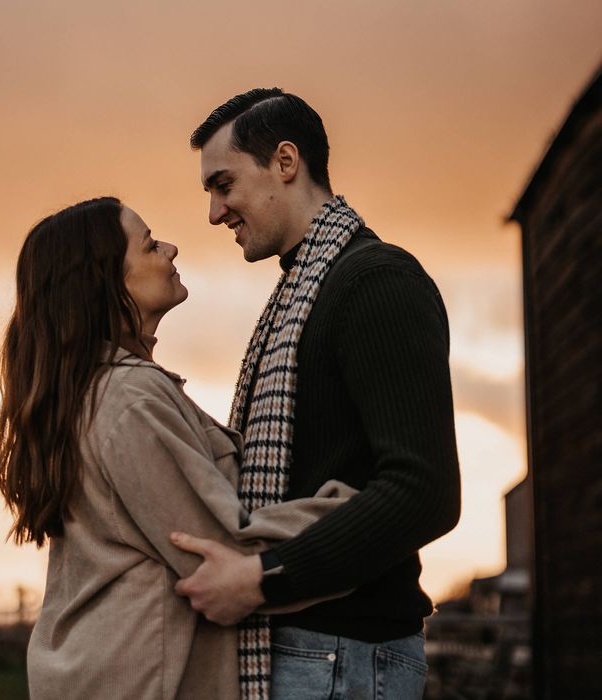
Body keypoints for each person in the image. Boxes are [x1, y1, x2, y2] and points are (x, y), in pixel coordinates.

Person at [0, 196, 357, 700]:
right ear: (106, 281)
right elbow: (226, 551)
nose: (171, 248)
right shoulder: (128, 400)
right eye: (149, 245)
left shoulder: (90, 393)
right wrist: (365, 510)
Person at [170, 88, 461, 699]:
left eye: (224, 185)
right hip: (313, 655)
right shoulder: (301, 293)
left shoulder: (377, 281)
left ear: (284, 162)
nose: (216, 212)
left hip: (344, 658)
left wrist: (264, 578)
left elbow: (425, 491)